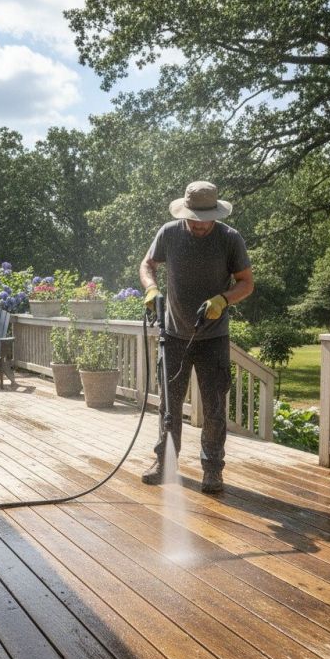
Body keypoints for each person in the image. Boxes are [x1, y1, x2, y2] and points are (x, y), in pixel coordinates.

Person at [139, 180, 254, 493]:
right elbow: (147, 263)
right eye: (195, 219)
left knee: (215, 409)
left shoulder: (230, 239)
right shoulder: (169, 233)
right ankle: (165, 463)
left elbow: (246, 283)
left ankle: (213, 470)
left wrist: (223, 299)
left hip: (213, 338)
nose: (201, 225)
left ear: (215, 214)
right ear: (185, 213)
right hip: (174, 335)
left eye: (206, 220)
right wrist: (150, 287)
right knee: (168, 407)